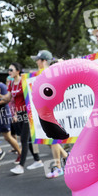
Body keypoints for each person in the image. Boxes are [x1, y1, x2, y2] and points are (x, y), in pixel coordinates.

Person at [0, 62, 44, 175]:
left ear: (18, 71)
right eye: (9, 70)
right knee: (28, 139)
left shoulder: (25, 80)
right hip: (19, 114)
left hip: (28, 113)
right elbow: (8, 99)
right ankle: (38, 160)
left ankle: (21, 166)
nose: (9, 72)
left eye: (11, 70)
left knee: (24, 140)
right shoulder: (12, 84)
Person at [31, 50, 69, 178]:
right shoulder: (39, 75)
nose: (36, 62)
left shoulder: (50, 73)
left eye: (38, 60)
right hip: (44, 112)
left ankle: (59, 167)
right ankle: (66, 157)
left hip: (53, 111)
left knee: (53, 140)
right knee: (49, 140)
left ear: (44, 61)